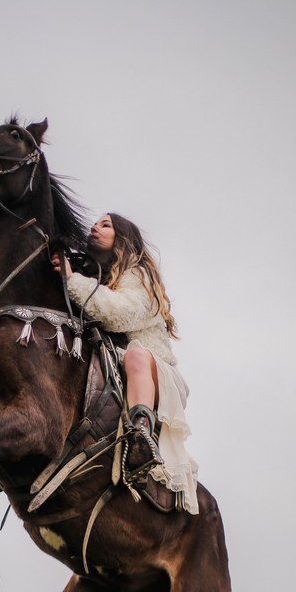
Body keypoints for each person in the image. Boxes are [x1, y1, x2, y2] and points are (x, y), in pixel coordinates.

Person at [52, 213, 199, 514]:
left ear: (124, 239)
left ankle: (140, 433)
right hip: (122, 369)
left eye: (106, 224)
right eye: (96, 223)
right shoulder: (101, 279)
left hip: (155, 371)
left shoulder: (139, 276)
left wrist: (71, 279)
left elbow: (118, 314)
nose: (95, 226)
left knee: (136, 354)